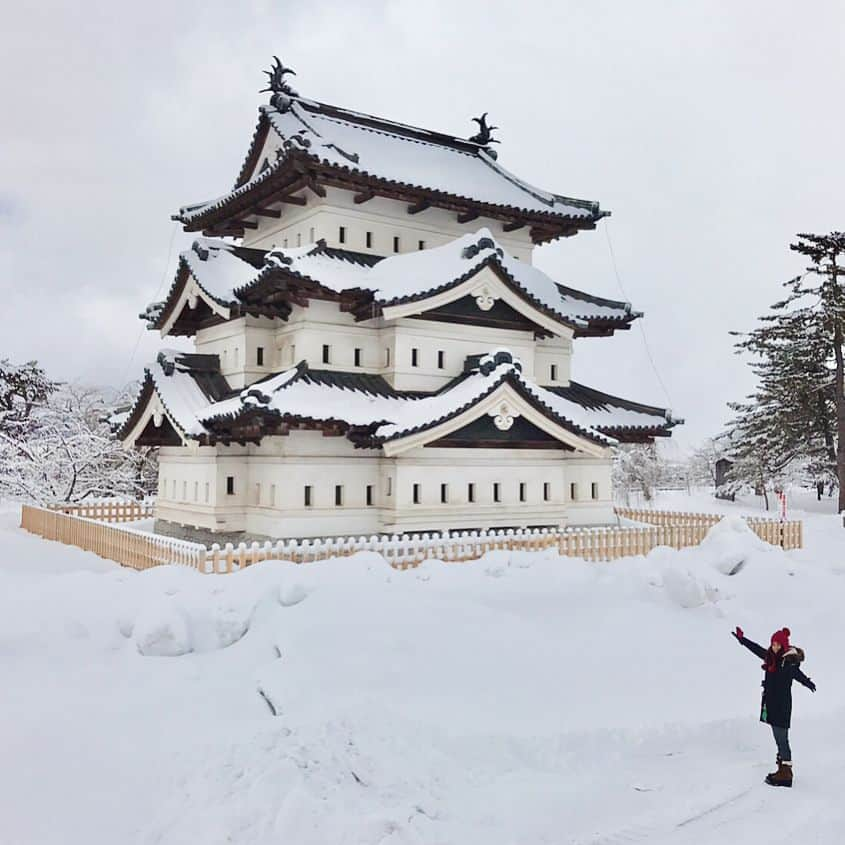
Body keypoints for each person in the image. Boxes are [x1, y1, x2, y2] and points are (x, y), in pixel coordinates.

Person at [732, 626, 816, 787]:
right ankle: (782, 769)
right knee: (779, 738)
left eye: (778, 644)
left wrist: (807, 682)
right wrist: (742, 640)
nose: (775, 647)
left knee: (782, 738)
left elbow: (798, 675)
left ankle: (786, 773)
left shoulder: (788, 663)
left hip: (782, 706)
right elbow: (756, 649)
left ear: (784, 646)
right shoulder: (770, 658)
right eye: (773, 644)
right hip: (771, 704)